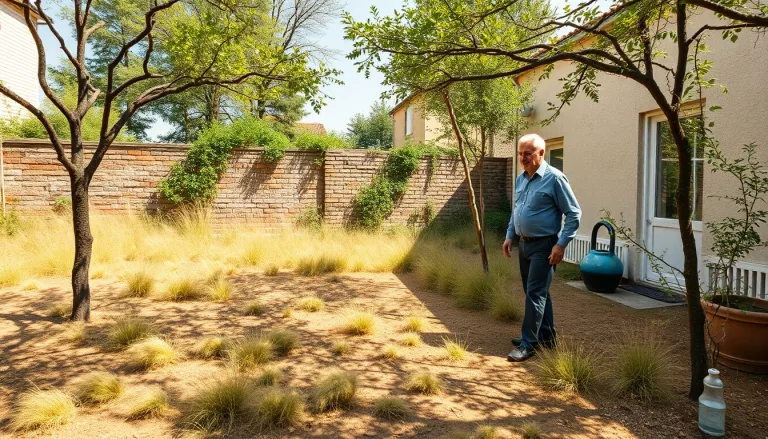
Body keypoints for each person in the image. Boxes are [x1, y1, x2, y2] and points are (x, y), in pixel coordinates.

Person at [502, 134, 581, 362]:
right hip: (524, 245)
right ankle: (546, 337)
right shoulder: (521, 179)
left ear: (541, 153)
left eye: (527, 153)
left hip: (545, 246)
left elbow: (574, 213)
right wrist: (510, 235)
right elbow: (516, 210)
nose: (522, 158)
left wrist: (561, 244)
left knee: (535, 293)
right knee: (535, 292)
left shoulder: (555, 179)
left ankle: (529, 344)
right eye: (520, 153)